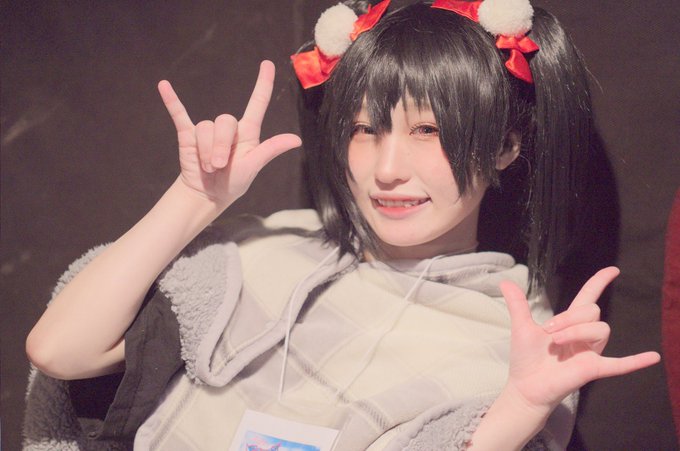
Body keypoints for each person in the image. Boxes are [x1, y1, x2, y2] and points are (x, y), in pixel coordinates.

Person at [24, 0, 660, 449]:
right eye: (364, 129)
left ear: (505, 146)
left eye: (428, 130)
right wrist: (194, 199)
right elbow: (58, 351)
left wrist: (516, 410)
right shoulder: (264, 250)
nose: (387, 169)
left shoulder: (522, 338)